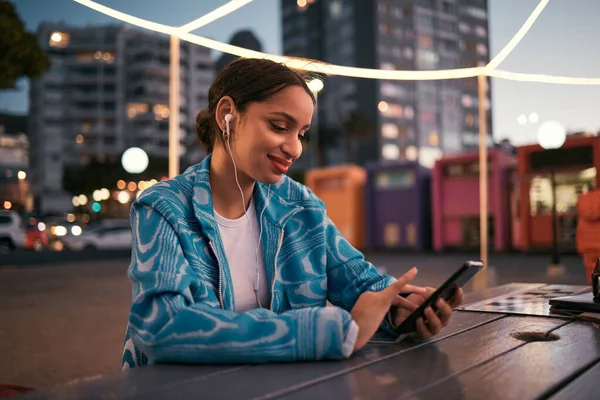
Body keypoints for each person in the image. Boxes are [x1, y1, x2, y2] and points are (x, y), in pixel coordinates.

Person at [121, 58, 463, 368]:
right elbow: (162, 326)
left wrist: (402, 313)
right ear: (227, 113)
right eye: (279, 126)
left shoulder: (301, 206)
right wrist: (328, 332)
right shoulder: (163, 208)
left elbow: (361, 284)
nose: (295, 148)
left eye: (301, 133)